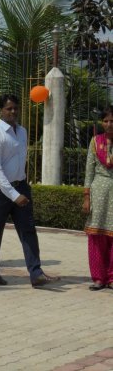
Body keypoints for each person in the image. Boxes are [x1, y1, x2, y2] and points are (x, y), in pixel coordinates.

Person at [0, 94, 60, 287]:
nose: (13, 112)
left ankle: (36, 274)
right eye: (9, 108)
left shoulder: (22, 132)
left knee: (28, 230)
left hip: (20, 186)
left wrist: (21, 188)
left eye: (15, 108)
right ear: (1, 110)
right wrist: (14, 195)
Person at [82, 105, 113, 291]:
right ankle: (99, 278)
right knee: (96, 236)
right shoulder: (95, 141)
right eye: (106, 121)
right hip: (98, 192)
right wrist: (87, 198)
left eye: (112, 121)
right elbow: (89, 172)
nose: (109, 124)